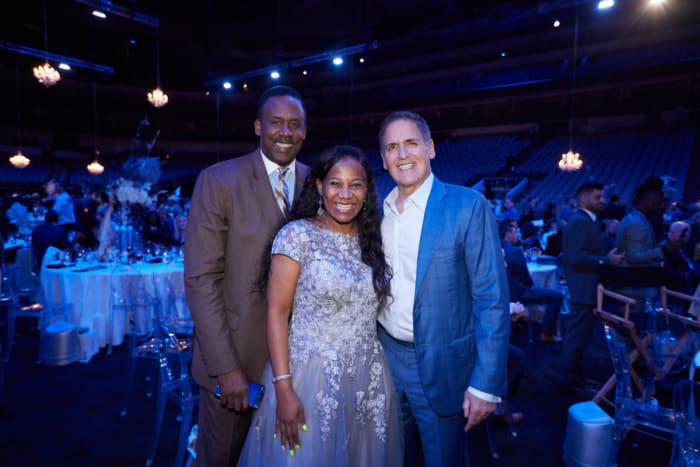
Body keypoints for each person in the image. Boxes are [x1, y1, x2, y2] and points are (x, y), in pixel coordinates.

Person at [238, 146, 403, 466]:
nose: (345, 194)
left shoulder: (373, 240)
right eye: (335, 183)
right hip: (310, 379)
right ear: (319, 186)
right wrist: (284, 389)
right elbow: (277, 313)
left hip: (367, 376)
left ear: (367, 190)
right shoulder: (297, 236)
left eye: (356, 185)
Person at [185, 85, 310, 465]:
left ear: (305, 131)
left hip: (302, 365)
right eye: (276, 122)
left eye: (295, 124)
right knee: (223, 458)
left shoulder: (317, 183)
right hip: (239, 364)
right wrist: (224, 367)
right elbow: (202, 280)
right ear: (258, 126)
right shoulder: (219, 180)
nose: (285, 132)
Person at [377, 110, 510, 466]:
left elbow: (491, 299)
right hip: (385, 359)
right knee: (393, 456)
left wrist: (486, 384)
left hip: (443, 365)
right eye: (391, 147)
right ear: (383, 159)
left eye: (411, 143)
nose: (402, 154)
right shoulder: (377, 213)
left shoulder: (468, 206)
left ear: (431, 148)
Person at [560, 182, 624, 393]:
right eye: (598, 197)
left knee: (580, 336)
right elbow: (575, 257)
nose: (603, 201)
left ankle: (574, 376)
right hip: (583, 287)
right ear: (583, 198)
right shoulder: (580, 221)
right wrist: (606, 260)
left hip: (587, 287)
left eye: (603, 197)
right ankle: (569, 379)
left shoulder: (586, 220)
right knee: (577, 336)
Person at [500, 222, 564, 343]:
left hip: (501, 294)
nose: (517, 235)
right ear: (508, 234)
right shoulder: (515, 251)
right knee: (557, 296)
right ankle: (546, 333)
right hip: (518, 293)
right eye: (515, 232)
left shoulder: (493, 249)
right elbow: (525, 278)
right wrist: (533, 285)